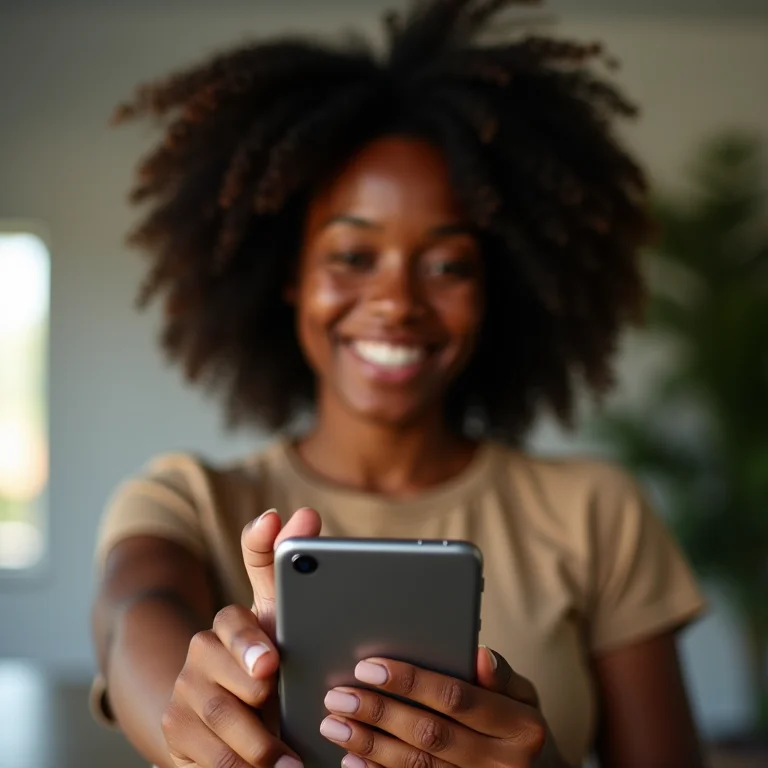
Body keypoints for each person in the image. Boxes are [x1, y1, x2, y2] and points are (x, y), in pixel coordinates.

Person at [90, 1, 707, 766]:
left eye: (448, 264)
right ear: (290, 274)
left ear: (495, 290)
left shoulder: (596, 513)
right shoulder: (186, 499)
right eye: (353, 255)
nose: (397, 302)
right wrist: (194, 721)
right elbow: (132, 617)